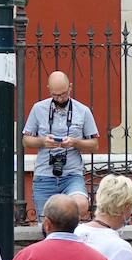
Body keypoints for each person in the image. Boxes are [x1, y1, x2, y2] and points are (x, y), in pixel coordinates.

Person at [23, 71, 100, 219]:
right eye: (55, 95)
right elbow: (26, 140)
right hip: (44, 174)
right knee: (46, 222)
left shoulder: (83, 111)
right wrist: (43, 141)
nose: (59, 99)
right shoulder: (38, 109)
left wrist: (75, 142)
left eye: (63, 94)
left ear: (70, 87)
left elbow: (95, 145)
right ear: (48, 90)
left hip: (71, 175)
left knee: (80, 205)